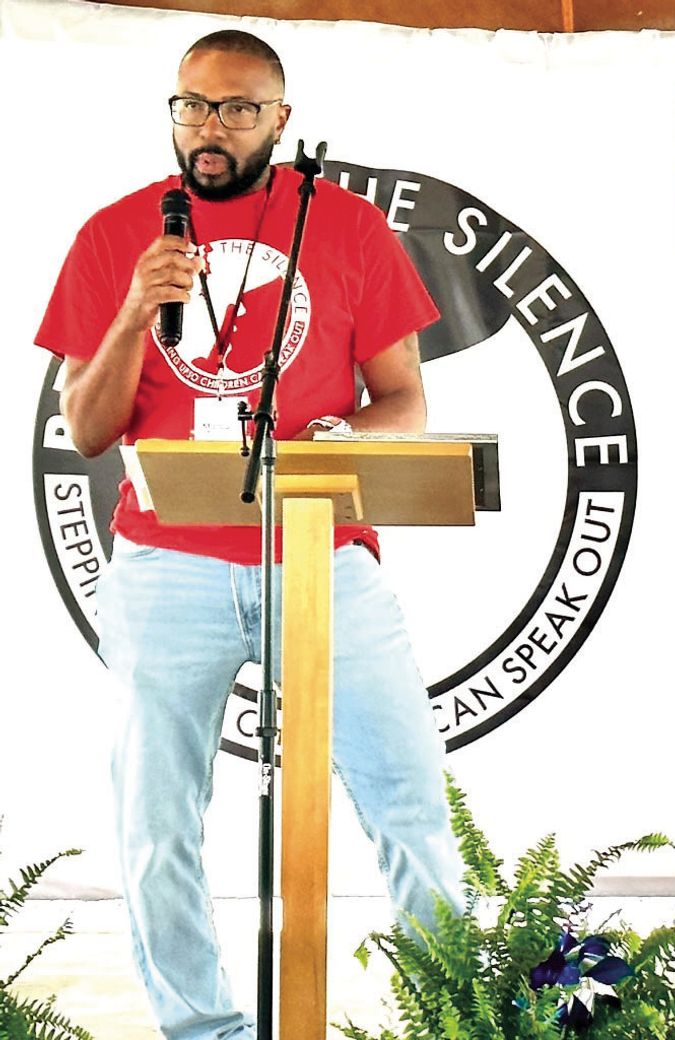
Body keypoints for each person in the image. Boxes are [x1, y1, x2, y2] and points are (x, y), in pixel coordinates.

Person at [35, 30, 463, 1040]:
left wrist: (334, 434)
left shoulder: (348, 227)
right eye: (190, 105)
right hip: (164, 564)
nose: (209, 128)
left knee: (407, 803)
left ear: (281, 117)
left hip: (322, 553)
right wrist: (138, 310)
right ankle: (203, 1030)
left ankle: (460, 1018)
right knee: (155, 825)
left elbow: (403, 399)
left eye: (234, 108)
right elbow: (89, 426)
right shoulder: (113, 237)